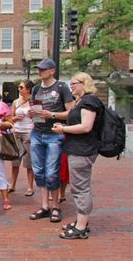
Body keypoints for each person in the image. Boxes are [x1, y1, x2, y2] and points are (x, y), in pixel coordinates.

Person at [52, 72, 104, 239]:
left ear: (84, 83)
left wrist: (63, 129)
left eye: (74, 83)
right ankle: (80, 222)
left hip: (83, 151)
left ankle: (81, 227)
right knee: (78, 187)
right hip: (77, 149)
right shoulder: (81, 101)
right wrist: (64, 125)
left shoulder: (89, 101)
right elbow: (78, 123)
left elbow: (86, 127)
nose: (71, 86)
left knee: (81, 189)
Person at [28, 58, 74, 223]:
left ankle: (55, 206)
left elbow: (71, 112)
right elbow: (35, 110)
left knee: (52, 171)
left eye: (43, 69)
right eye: (39, 69)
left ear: (52, 70)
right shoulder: (35, 89)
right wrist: (32, 114)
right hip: (37, 132)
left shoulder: (62, 87)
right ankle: (44, 206)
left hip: (55, 134)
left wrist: (52, 115)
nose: (40, 72)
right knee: (38, 171)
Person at [9, 79, 35, 196]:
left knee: (29, 161)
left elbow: (40, 118)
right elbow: (10, 118)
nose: (19, 89)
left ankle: (30, 186)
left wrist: (33, 115)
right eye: (19, 87)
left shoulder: (34, 102)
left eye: (21, 87)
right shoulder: (16, 101)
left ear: (28, 89)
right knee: (15, 161)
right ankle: (12, 184)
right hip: (17, 131)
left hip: (29, 132)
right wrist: (15, 118)